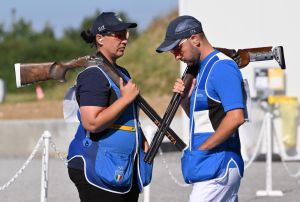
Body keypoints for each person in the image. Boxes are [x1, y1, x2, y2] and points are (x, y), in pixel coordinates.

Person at [156, 15, 247, 202]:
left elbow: (236, 117)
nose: (176, 56)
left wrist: (202, 149)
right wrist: (184, 100)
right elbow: (205, 120)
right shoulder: (203, 69)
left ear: (195, 39)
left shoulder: (222, 67)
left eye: (177, 48)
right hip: (212, 166)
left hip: (217, 166)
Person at [67, 12, 152, 202]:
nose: (125, 39)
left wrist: (141, 138)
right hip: (97, 169)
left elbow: (127, 115)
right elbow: (92, 122)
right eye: (119, 34)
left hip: (118, 168)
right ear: (100, 38)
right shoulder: (93, 75)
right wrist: (125, 99)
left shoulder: (121, 72)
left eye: (126, 34)